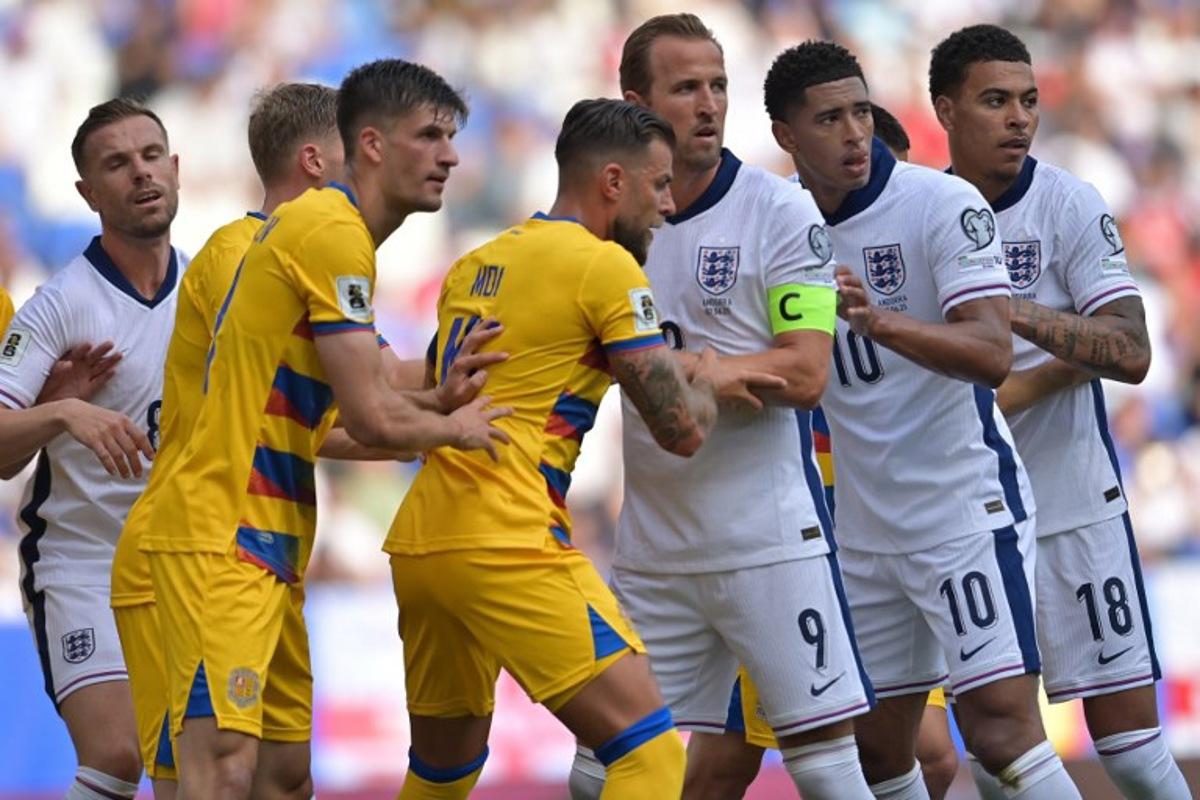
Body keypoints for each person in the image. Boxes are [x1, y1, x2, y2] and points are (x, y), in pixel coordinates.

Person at [384, 97, 786, 800]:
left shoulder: (477, 262)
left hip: (424, 545)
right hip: (507, 539)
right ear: (612, 183)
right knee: (650, 755)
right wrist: (710, 377)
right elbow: (680, 432)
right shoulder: (603, 267)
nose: (667, 206)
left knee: (442, 772)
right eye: (659, 186)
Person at [138, 59, 509, 799]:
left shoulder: (334, 242)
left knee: (279, 779)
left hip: (269, 537)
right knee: (220, 771)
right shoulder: (311, 234)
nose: (451, 156)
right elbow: (367, 412)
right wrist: (457, 426)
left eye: (452, 137)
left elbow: (331, 416)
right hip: (218, 532)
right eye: (430, 135)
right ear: (363, 146)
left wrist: (436, 400)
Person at [762, 40, 1081, 800]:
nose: (853, 133)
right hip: (865, 529)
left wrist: (881, 322)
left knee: (1001, 730)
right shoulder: (778, 223)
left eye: (861, 113)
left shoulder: (941, 205)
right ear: (785, 135)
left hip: (962, 507)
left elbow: (993, 351)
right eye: (830, 118)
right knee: (877, 754)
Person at [571, 15, 876, 800]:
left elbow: (807, 372)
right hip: (653, 551)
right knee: (600, 773)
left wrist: (692, 367)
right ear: (636, 102)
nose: (707, 105)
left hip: (769, 544)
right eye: (684, 89)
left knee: (830, 771)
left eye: (717, 87)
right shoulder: (610, 234)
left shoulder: (780, 214)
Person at [932, 24, 1191, 800]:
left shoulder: (1068, 204)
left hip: (1077, 506)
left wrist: (1014, 320)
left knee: (1136, 753)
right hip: (968, 522)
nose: (1018, 118)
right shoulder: (918, 212)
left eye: (1029, 101)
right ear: (945, 110)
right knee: (995, 750)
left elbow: (1133, 350)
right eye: (994, 101)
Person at [715, 103, 961, 800]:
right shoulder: (778, 249)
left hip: (893, 532)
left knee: (930, 755)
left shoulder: (922, 261)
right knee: (728, 762)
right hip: (800, 530)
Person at [0, 97, 181, 800]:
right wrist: (64, 410)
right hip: (85, 565)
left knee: (224, 766)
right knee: (116, 755)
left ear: (176, 168)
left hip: (182, 563)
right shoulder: (59, 305)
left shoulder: (208, 289)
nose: (140, 173)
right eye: (117, 163)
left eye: (150, 155)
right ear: (88, 192)